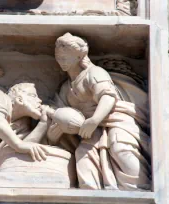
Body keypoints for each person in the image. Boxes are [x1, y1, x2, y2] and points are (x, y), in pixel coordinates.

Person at [48, 33, 151, 190]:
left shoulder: (94, 73)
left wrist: (94, 120)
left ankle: (139, 189)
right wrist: (56, 129)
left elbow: (108, 97)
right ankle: (92, 194)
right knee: (83, 155)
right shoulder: (65, 88)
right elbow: (56, 112)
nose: (60, 61)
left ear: (79, 56)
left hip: (116, 119)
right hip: (90, 130)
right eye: (58, 57)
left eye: (65, 57)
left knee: (120, 148)